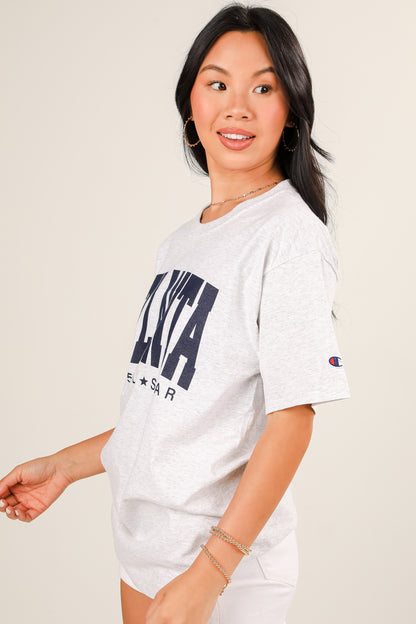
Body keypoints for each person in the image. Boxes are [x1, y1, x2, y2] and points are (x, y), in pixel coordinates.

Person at [0, 3, 351, 624]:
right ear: (190, 104)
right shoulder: (185, 243)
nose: (237, 107)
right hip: (148, 548)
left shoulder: (289, 235)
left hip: (221, 566)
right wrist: (66, 467)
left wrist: (211, 573)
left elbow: (292, 419)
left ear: (292, 111)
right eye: (217, 84)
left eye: (263, 88)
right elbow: (172, 411)